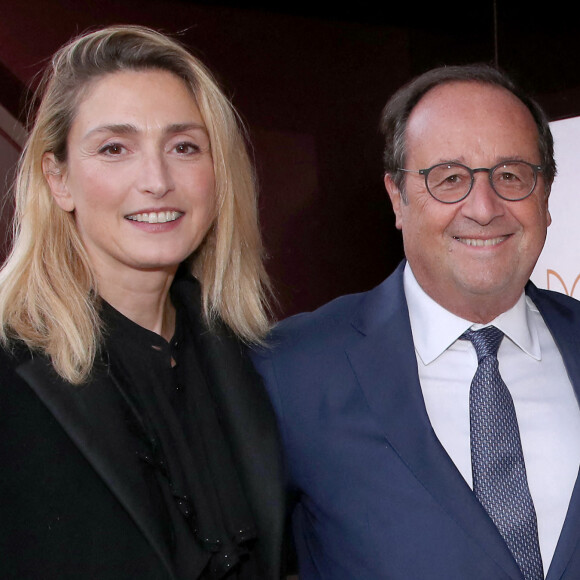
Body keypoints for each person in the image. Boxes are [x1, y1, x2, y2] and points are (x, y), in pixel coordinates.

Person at [251, 64, 580, 579]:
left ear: (546, 195)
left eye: (512, 175)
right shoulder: (291, 371)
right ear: (396, 197)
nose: (484, 207)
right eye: (449, 178)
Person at [0, 25, 286, 579]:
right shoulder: (11, 366)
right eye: (114, 148)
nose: (157, 180)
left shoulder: (249, 359)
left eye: (184, 147)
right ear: (57, 179)